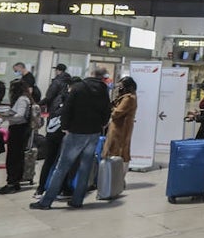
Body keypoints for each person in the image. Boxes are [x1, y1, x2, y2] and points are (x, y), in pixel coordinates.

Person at [31, 66, 112, 210]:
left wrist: (65, 126)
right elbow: (107, 111)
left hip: (76, 132)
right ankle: (77, 200)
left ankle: (46, 201)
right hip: (93, 132)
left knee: (61, 167)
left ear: (92, 73)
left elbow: (68, 108)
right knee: (85, 168)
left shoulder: (79, 87)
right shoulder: (104, 90)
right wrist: (101, 125)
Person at [36, 75, 76, 199]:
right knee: (63, 162)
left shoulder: (58, 98)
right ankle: (62, 190)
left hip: (51, 131)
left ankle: (40, 189)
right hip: (64, 133)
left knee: (49, 161)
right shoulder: (74, 99)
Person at [0, 78, 34, 194]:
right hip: (21, 130)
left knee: (13, 157)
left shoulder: (22, 100)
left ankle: (12, 182)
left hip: (18, 130)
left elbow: (20, 115)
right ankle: (15, 182)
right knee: (17, 157)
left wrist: (6, 117)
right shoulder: (25, 99)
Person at [105, 76, 138, 162]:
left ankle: (116, 167)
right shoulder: (125, 97)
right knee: (115, 149)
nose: (119, 88)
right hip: (119, 127)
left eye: (121, 86)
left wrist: (111, 109)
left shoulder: (128, 98)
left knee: (117, 150)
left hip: (120, 128)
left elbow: (116, 113)